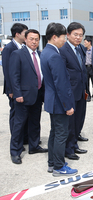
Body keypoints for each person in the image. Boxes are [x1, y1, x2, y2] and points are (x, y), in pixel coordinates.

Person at [40, 22, 77, 176]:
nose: (65, 40)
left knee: (55, 133)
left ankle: (52, 162)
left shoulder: (45, 52)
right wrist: (68, 106)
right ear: (54, 37)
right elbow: (61, 84)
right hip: (59, 103)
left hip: (52, 101)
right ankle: (59, 167)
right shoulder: (54, 55)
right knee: (61, 134)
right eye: (63, 37)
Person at [9, 29, 47, 164]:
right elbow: (14, 76)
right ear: (25, 39)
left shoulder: (40, 55)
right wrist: (17, 93)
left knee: (35, 122)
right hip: (23, 96)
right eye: (31, 39)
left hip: (37, 94)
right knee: (19, 124)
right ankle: (15, 151)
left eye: (36, 39)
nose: (34, 42)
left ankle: (34, 146)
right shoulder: (18, 54)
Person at [60, 22, 88, 160]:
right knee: (70, 123)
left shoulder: (81, 49)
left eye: (80, 35)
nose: (78, 37)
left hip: (81, 91)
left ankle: (74, 144)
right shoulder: (63, 50)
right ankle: (68, 149)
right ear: (68, 35)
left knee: (79, 120)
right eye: (75, 34)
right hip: (70, 92)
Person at [2, 23, 28, 143]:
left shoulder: (23, 47)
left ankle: (25, 137)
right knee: (16, 115)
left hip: (23, 87)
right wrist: (11, 90)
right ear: (17, 34)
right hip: (14, 89)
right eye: (25, 33)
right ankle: (16, 140)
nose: (27, 35)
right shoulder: (9, 48)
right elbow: (7, 71)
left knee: (24, 115)